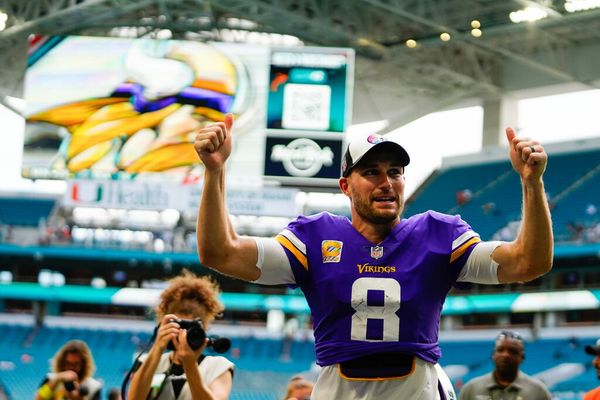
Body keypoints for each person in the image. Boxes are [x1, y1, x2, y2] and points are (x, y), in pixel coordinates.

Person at [194, 114, 553, 399]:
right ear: (346, 185)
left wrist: (531, 183)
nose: (387, 182)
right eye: (371, 172)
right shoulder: (315, 238)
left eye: (395, 172)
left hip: (416, 387)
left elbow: (528, 263)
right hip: (339, 387)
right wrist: (214, 172)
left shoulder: (437, 234)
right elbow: (219, 252)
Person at [127, 270, 234, 400]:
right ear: (164, 324)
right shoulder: (145, 361)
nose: (184, 333)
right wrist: (157, 348)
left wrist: (190, 366)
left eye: (190, 327)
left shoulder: (218, 366)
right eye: (180, 325)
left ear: (203, 328)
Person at [458, 331, 552, 400]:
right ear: (493, 355)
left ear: (522, 357)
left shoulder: (538, 391)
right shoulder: (471, 389)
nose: (505, 355)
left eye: (512, 351)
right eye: (500, 350)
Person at [35, 339, 102, 400]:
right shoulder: (50, 379)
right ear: (62, 362)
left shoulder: (93, 387)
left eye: (75, 364)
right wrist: (57, 378)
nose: (71, 367)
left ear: (84, 364)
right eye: (68, 363)